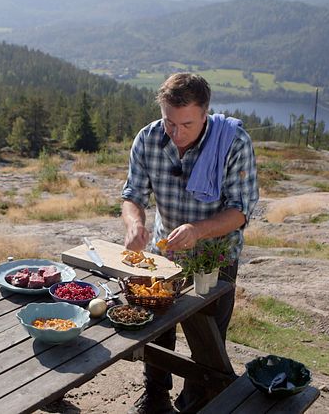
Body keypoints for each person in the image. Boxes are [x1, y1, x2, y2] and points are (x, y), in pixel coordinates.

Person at [121, 72, 259, 413]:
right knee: (156, 329)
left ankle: (195, 402)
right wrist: (136, 223)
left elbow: (240, 211)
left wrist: (198, 230)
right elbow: (132, 195)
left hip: (216, 257)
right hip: (163, 255)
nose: (177, 134)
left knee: (207, 338)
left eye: (187, 124)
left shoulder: (233, 142)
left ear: (206, 113)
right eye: (170, 122)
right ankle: (155, 397)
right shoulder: (148, 138)